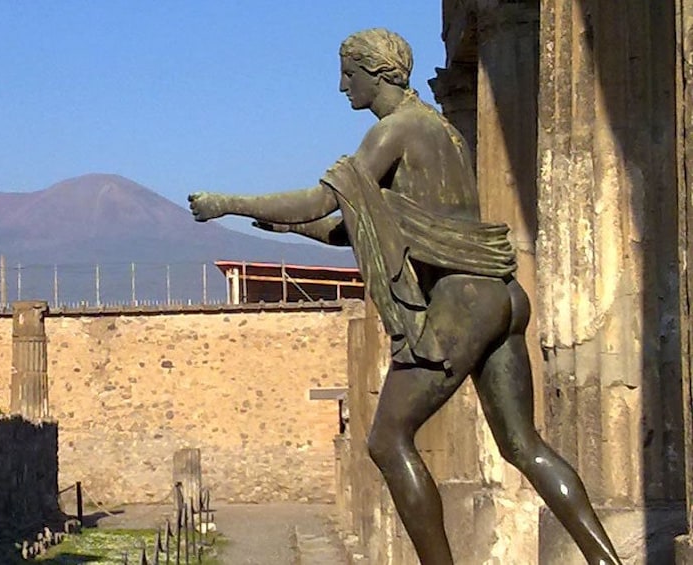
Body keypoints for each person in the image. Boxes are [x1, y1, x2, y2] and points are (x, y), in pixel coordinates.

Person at [188, 28, 621, 565]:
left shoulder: (394, 132)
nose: (342, 85)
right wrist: (284, 231)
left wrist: (225, 202)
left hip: (461, 301)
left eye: (349, 73)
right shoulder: (443, 133)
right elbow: (351, 226)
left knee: (387, 441)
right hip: (501, 294)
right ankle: (606, 559)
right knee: (522, 446)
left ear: (377, 73)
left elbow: (320, 199)